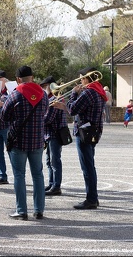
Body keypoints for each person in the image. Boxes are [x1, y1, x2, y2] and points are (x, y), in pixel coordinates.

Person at [52, 67, 106, 210]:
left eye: (82, 78)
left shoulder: (88, 92)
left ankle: (91, 199)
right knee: (90, 165)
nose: (80, 81)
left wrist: (74, 94)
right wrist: (64, 106)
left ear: (88, 78)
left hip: (84, 132)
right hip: (93, 132)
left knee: (87, 167)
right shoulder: (99, 91)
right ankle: (93, 197)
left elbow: (73, 109)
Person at [1, 66, 48, 220]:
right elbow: (45, 112)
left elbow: (4, 116)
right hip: (37, 141)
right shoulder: (44, 95)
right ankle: (39, 210)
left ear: (18, 80)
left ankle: (21, 210)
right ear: (32, 77)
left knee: (19, 176)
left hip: (18, 141)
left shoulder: (14, 95)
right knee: (38, 175)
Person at [40, 75, 68, 196]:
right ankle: (52, 183)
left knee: (55, 160)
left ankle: (56, 186)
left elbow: (49, 118)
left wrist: (37, 119)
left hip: (55, 133)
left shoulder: (56, 98)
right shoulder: (49, 98)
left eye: (45, 87)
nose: (44, 89)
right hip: (49, 134)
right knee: (49, 160)